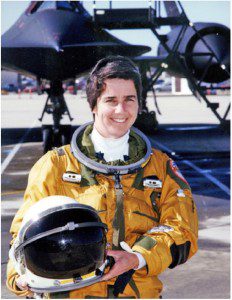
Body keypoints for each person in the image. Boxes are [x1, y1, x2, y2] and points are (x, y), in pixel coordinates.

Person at [7, 55, 198, 299]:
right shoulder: (55, 165)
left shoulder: (161, 167)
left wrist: (137, 258)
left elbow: (182, 230)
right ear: (94, 106)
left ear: (139, 104)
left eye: (130, 99)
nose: (121, 110)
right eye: (111, 100)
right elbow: (24, 233)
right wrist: (20, 278)